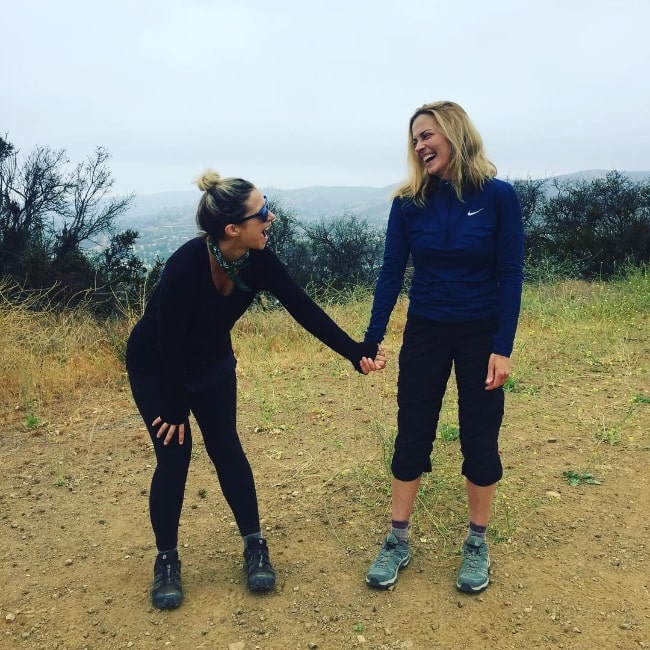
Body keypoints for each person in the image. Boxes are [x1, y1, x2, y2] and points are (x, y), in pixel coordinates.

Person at [126, 170, 385, 610]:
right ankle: (166, 560)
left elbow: (303, 307)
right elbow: (167, 339)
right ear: (233, 229)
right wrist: (173, 405)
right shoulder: (186, 264)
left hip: (211, 363)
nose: (271, 217)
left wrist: (353, 352)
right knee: (175, 455)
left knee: (226, 448)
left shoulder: (259, 260)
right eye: (262, 212)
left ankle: (254, 544)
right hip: (157, 366)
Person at [364, 101, 524, 593]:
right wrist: (372, 337)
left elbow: (510, 272)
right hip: (426, 329)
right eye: (414, 139)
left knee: (479, 436)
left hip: (481, 332)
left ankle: (476, 543)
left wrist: (503, 345)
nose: (419, 146)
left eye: (427, 135)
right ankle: (397, 538)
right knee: (413, 430)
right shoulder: (408, 203)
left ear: (454, 134)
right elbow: (392, 272)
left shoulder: (498, 197)